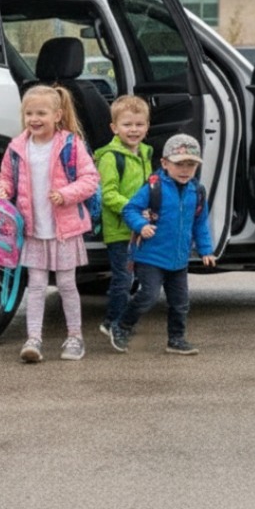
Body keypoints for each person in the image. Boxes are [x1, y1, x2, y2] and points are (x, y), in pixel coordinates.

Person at [0, 84, 99, 363]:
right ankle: (33, 339)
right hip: (33, 230)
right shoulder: (17, 147)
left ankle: (75, 337)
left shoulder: (70, 145)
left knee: (66, 285)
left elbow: (90, 180)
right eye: (29, 113)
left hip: (63, 231)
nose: (34, 118)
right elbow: (6, 176)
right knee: (37, 286)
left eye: (41, 112)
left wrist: (65, 195)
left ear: (57, 115)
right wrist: (3, 190)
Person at [120, 133, 216, 355]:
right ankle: (123, 325)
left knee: (180, 302)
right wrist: (140, 225)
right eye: (179, 164)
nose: (185, 170)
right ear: (164, 163)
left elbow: (200, 224)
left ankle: (176, 339)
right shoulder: (155, 188)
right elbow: (130, 209)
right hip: (150, 256)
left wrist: (206, 250)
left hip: (179, 259)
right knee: (148, 296)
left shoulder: (197, 192)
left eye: (190, 165)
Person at [92, 95, 153, 352]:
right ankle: (114, 322)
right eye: (127, 125)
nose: (134, 130)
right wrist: (135, 210)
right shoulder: (110, 157)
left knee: (138, 279)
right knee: (122, 280)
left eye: (139, 124)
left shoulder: (145, 153)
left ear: (147, 126)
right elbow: (108, 194)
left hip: (140, 229)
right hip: (120, 230)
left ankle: (118, 321)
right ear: (114, 128)